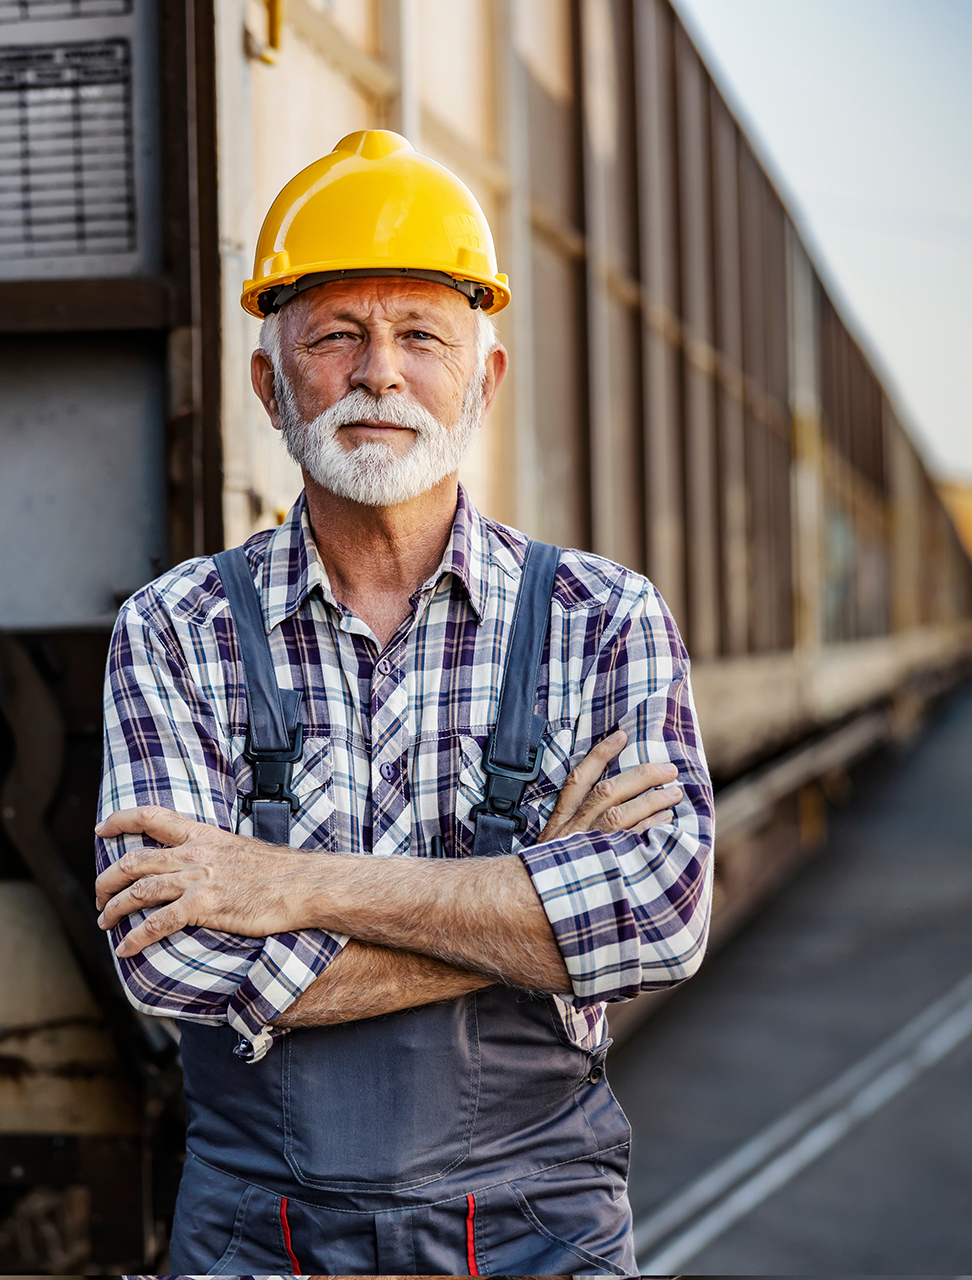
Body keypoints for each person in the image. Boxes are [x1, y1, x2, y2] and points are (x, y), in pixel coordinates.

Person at [93, 130, 713, 1276]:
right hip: (260, 1238)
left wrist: (289, 885)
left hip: (537, 1233)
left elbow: (660, 916)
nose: (379, 371)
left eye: (422, 334)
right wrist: (534, 905)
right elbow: (170, 958)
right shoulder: (175, 628)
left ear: (485, 377)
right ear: (270, 383)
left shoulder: (602, 617)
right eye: (336, 334)